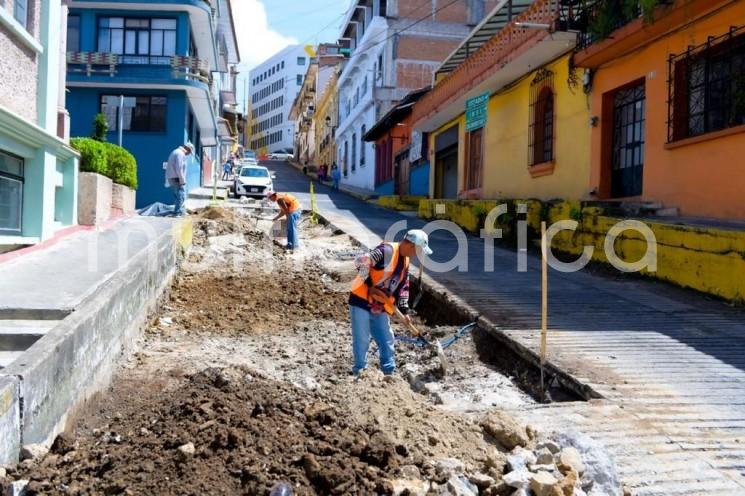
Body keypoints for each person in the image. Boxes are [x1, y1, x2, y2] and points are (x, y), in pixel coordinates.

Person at [348, 230, 433, 377]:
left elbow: (403, 287)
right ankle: (360, 373)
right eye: (419, 250)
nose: (418, 255)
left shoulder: (405, 261)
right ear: (411, 245)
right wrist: (370, 285)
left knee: (386, 338)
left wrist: (404, 311)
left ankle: (389, 372)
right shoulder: (386, 251)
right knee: (362, 339)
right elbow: (360, 263)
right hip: (361, 300)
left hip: (380, 305)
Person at [165, 142, 193, 216]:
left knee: (177, 195)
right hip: (176, 177)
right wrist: (182, 180)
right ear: (187, 148)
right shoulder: (180, 154)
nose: (189, 154)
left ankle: (178, 211)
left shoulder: (176, 152)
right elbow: (179, 168)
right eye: (189, 152)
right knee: (181, 195)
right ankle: (178, 212)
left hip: (173, 177)